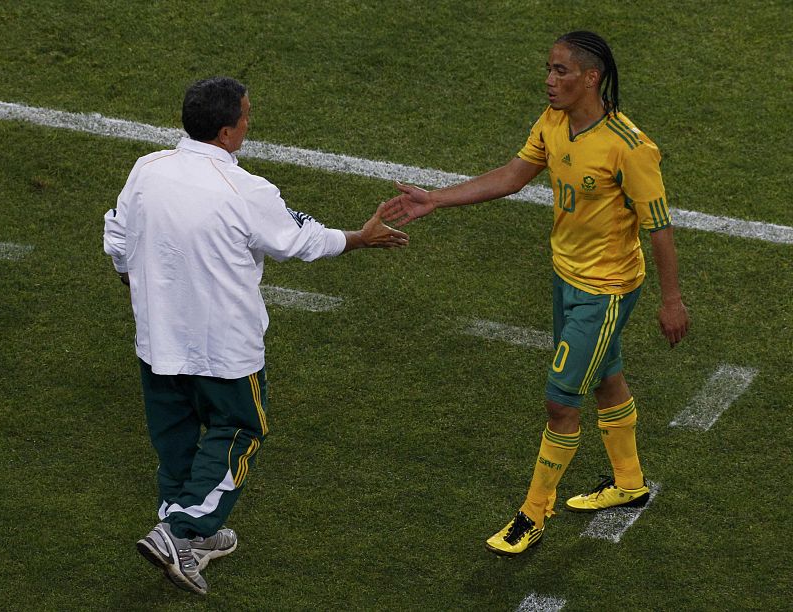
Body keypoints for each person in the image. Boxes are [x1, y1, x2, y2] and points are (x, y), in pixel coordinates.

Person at [381, 31, 689, 556]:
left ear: (590, 78)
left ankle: (533, 514)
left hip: (606, 288)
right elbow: (513, 175)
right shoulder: (553, 123)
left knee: (559, 400)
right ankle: (629, 482)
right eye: (548, 69)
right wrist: (436, 199)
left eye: (561, 72)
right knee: (605, 374)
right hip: (565, 277)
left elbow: (659, 227)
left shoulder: (630, 148)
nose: (549, 80)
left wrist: (672, 300)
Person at [103, 76, 408, 594]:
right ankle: (180, 531)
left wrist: (152, 290)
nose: (250, 121)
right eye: (245, 115)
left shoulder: (146, 170)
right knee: (239, 432)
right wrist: (361, 237)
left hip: (156, 342)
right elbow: (301, 240)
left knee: (177, 443)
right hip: (226, 350)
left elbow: (117, 241)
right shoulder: (246, 190)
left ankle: (190, 540)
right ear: (226, 131)